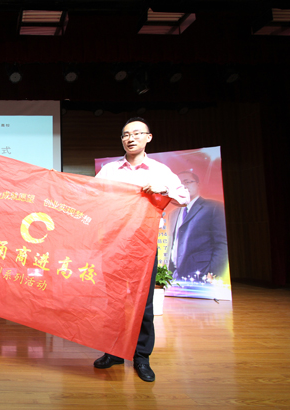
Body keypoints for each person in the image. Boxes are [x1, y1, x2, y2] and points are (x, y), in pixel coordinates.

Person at [94, 117, 189, 382]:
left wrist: (164, 190)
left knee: (143, 303)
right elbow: (92, 195)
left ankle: (141, 357)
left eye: (136, 133)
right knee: (113, 301)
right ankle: (113, 352)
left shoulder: (160, 171)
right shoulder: (109, 170)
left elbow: (184, 197)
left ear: (148, 137)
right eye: (126, 134)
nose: (130, 138)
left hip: (143, 244)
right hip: (113, 242)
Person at [168, 171, 228, 283]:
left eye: (187, 182)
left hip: (201, 274)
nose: (184, 186)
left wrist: (214, 272)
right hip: (176, 276)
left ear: (198, 184)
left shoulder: (214, 207)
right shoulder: (173, 214)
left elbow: (222, 243)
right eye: (179, 184)